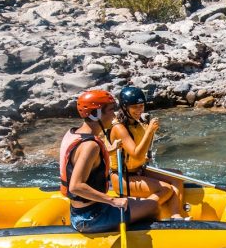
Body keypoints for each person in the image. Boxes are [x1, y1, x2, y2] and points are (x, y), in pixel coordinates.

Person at [60, 89, 158, 233]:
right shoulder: (91, 146)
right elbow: (75, 186)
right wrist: (113, 200)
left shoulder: (73, 133)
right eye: (111, 110)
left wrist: (109, 151)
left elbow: (80, 158)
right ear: (96, 114)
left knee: (141, 203)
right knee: (153, 206)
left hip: (82, 211)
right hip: (92, 217)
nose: (114, 116)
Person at [108, 86, 187, 219]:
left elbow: (142, 154)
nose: (139, 110)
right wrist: (150, 131)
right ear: (125, 107)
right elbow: (136, 154)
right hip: (123, 178)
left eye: (141, 106)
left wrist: (150, 131)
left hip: (138, 170)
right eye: (135, 107)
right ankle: (140, 212)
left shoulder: (137, 123)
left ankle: (176, 216)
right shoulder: (119, 128)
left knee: (177, 176)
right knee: (165, 189)